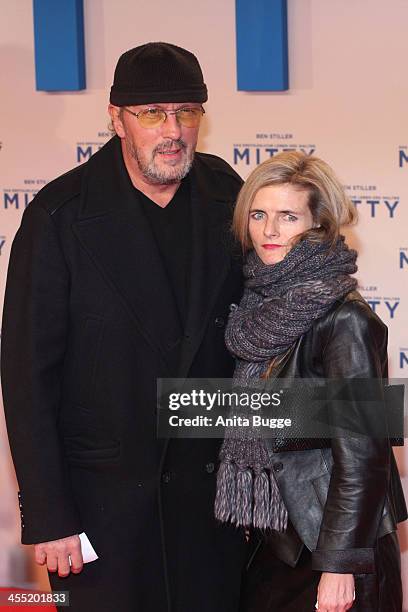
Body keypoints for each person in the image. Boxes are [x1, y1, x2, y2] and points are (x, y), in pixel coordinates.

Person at [1, 42, 247, 612]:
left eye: (187, 112)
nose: (173, 129)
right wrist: (49, 513)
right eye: (153, 113)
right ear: (116, 120)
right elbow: (26, 376)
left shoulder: (228, 195)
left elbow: (259, 336)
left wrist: (344, 407)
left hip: (211, 501)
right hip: (100, 511)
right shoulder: (59, 216)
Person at [214, 152, 407, 611]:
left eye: (288, 216)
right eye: (259, 215)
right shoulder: (254, 305)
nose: (270, 231)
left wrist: (338, 564)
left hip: (333, 545)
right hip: (276, 539)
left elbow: (363, 453)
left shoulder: (347, 320)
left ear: (318, 224)